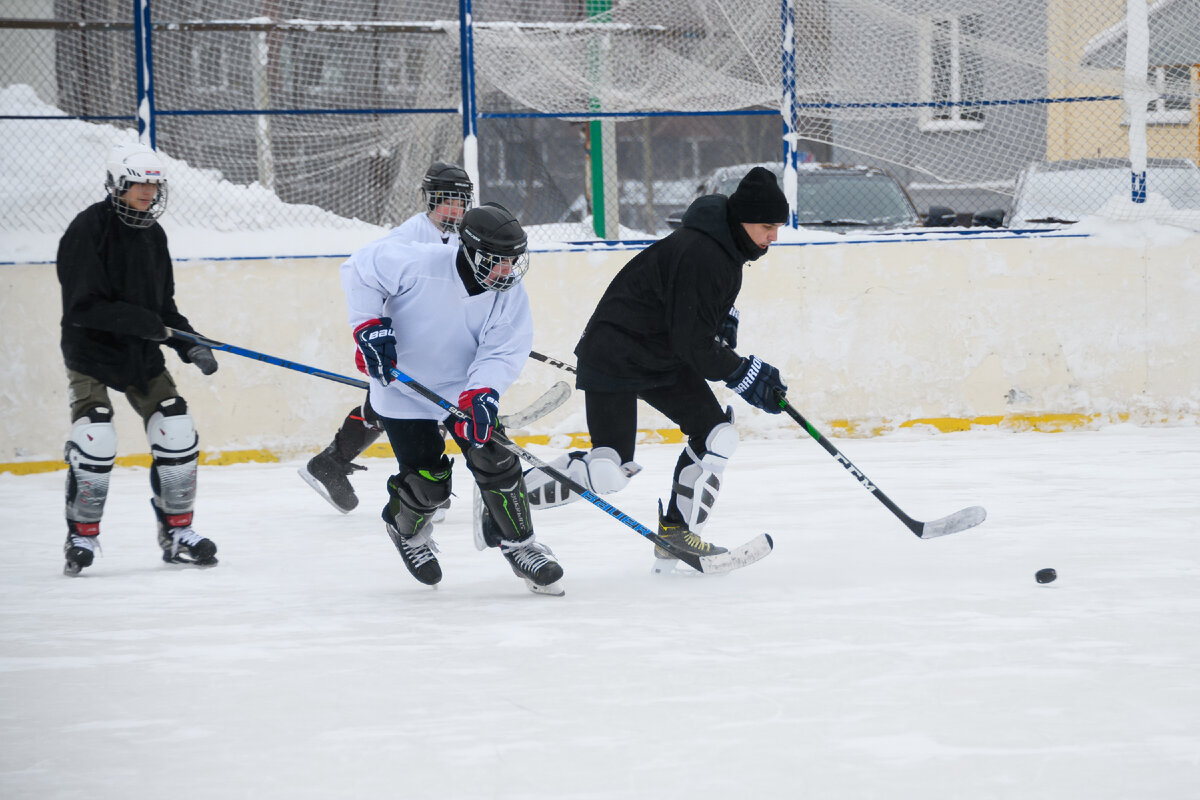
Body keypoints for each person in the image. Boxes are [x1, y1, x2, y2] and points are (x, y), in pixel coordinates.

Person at [518, 166, 790, 562]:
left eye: (778, 226)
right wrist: (744, 373)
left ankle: (678, 536)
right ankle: (506, 498)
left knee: (717, 436)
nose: (774, 237)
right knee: (608, 470)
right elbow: (693, 344)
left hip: (662, 356)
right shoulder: (706, 252)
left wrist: (721, 323)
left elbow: (691, 318)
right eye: (767, 226)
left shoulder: (726, 247)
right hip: (616, 352)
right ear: (742, 219)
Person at [339, 201, 565, 595]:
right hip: (403, 388)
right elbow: (359, 270)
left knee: (494, 455)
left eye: (514, 261)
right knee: (430, 483)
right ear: (471, 251)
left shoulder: (508, 291)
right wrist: (368, 327)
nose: (508, 271)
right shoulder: (419, 262)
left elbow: (502, 349)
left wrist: (483, 393)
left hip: (462, 387)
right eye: (498, 261)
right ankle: (405, 529)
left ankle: (522, 546)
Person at [56, 142, 220, 576]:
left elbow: (162, 308)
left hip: (138, 353)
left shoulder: (153, 233)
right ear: (117, 185)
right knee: (96, 437)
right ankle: (82, 535)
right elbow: (82, 307)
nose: (147, 192)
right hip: (91, 350)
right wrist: (143, 322)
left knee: (177, 431)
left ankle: (178, 533)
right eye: (137, 184)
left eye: (154, 184)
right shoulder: (87, 229)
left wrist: (190, 343)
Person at [300, 162, 474, 514]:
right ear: (432, 200)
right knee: (411, 409)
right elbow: (361, 274)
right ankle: (423, 487)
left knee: (397, 409)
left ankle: (333, 463)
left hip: (436, 344)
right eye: (448, 201)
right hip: (402, 343)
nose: (455, 210)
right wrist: (369, 332)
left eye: (462, 202)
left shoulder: (463, 237)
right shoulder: (407, 237)